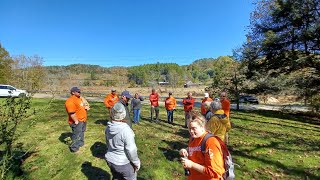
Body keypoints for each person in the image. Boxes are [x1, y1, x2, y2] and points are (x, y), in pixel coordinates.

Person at [179, 113, 225, 180]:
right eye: (189, 128)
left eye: (194, 128)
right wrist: (185, 150)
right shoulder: (193, 138)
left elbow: (215, 172)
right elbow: (196, 149)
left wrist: (192, 165)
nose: (191, 131)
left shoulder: (211, 142)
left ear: (202, 127)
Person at [105, 102, 141, 180]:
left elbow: (107, 143)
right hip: (123, 163)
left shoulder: (108, 127)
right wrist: (136, 163)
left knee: (116, 177)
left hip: (110, 160)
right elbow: (131, 150)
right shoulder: (126, 130)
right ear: (123, 114)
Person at [65, 87, 87, 153]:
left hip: (83, 119)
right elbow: (71, 112)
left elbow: (81, 107)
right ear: (73, 92)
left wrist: (85, 108)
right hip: (77, 121)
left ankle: (80, 143)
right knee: (76, 134)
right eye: (78, 91)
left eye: (80, 91)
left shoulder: (79, 99)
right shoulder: (70, 101)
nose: (79, 92)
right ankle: (74, 148)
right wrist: (76, 121)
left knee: (82, 132)